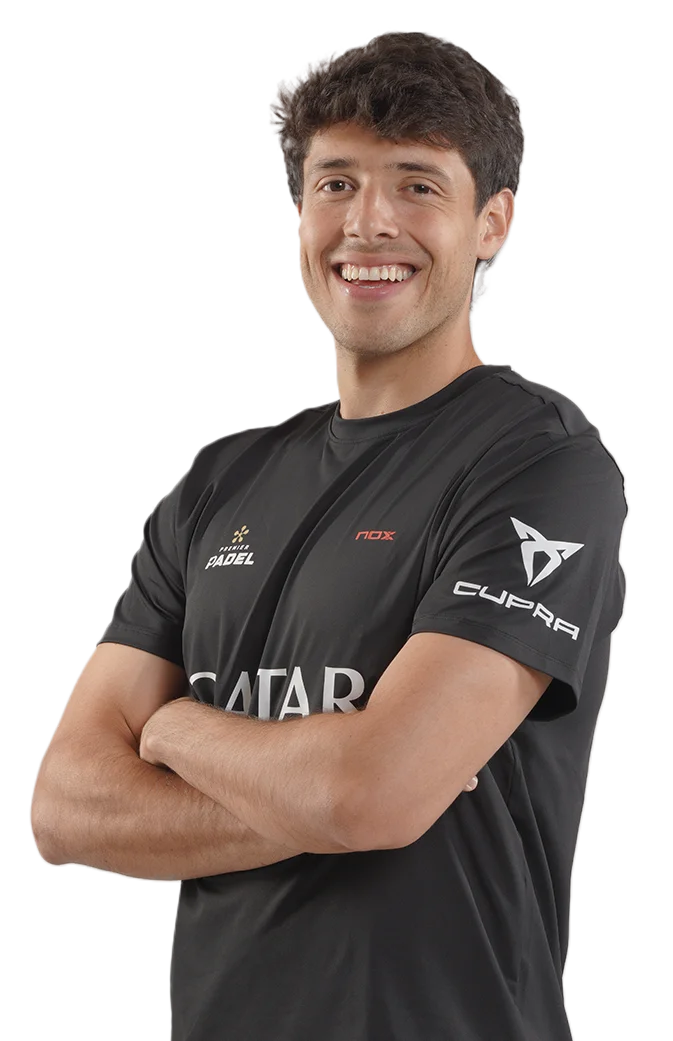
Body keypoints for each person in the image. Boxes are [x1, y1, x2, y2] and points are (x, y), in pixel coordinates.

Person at [30, 30, 627, 1041]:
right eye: (336, 183)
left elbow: (369, 796)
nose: (368, 221)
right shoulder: (219, 482)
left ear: (491, 221)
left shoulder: (537, 463)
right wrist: (330, 787)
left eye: (416, 185)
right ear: (300, 212)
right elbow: (65, 807)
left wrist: (170, 732)